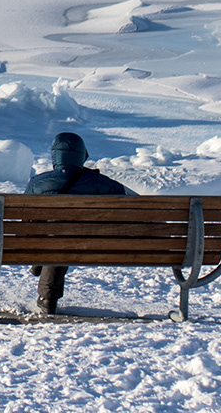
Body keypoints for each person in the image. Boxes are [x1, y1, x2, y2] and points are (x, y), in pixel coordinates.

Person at [25, 131, 133, 314]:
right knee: (65, 237)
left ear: (55, 155)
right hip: (93, 243)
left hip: (48, 242)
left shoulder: (38, 183)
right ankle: (44, 275)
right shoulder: (99, 182)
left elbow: (26, 220)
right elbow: (132, 201)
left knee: (57, 238)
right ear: (82, 154)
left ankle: (46, 289)